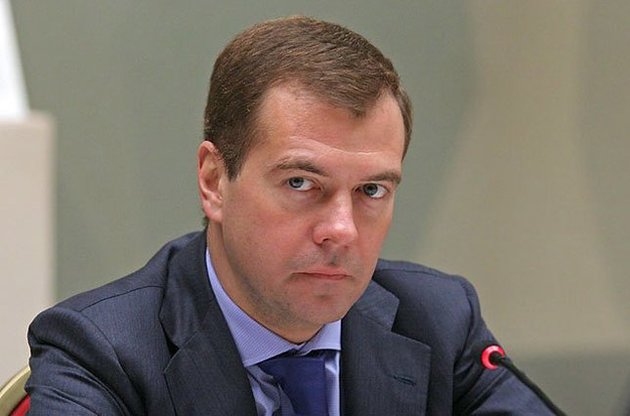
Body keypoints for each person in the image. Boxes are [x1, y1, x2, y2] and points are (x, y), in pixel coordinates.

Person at [26, 16, 554, 415]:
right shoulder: (101, 353)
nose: (341, 230)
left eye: (371, 190)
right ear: (214, 181)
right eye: (301, 183)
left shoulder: (439, 321)